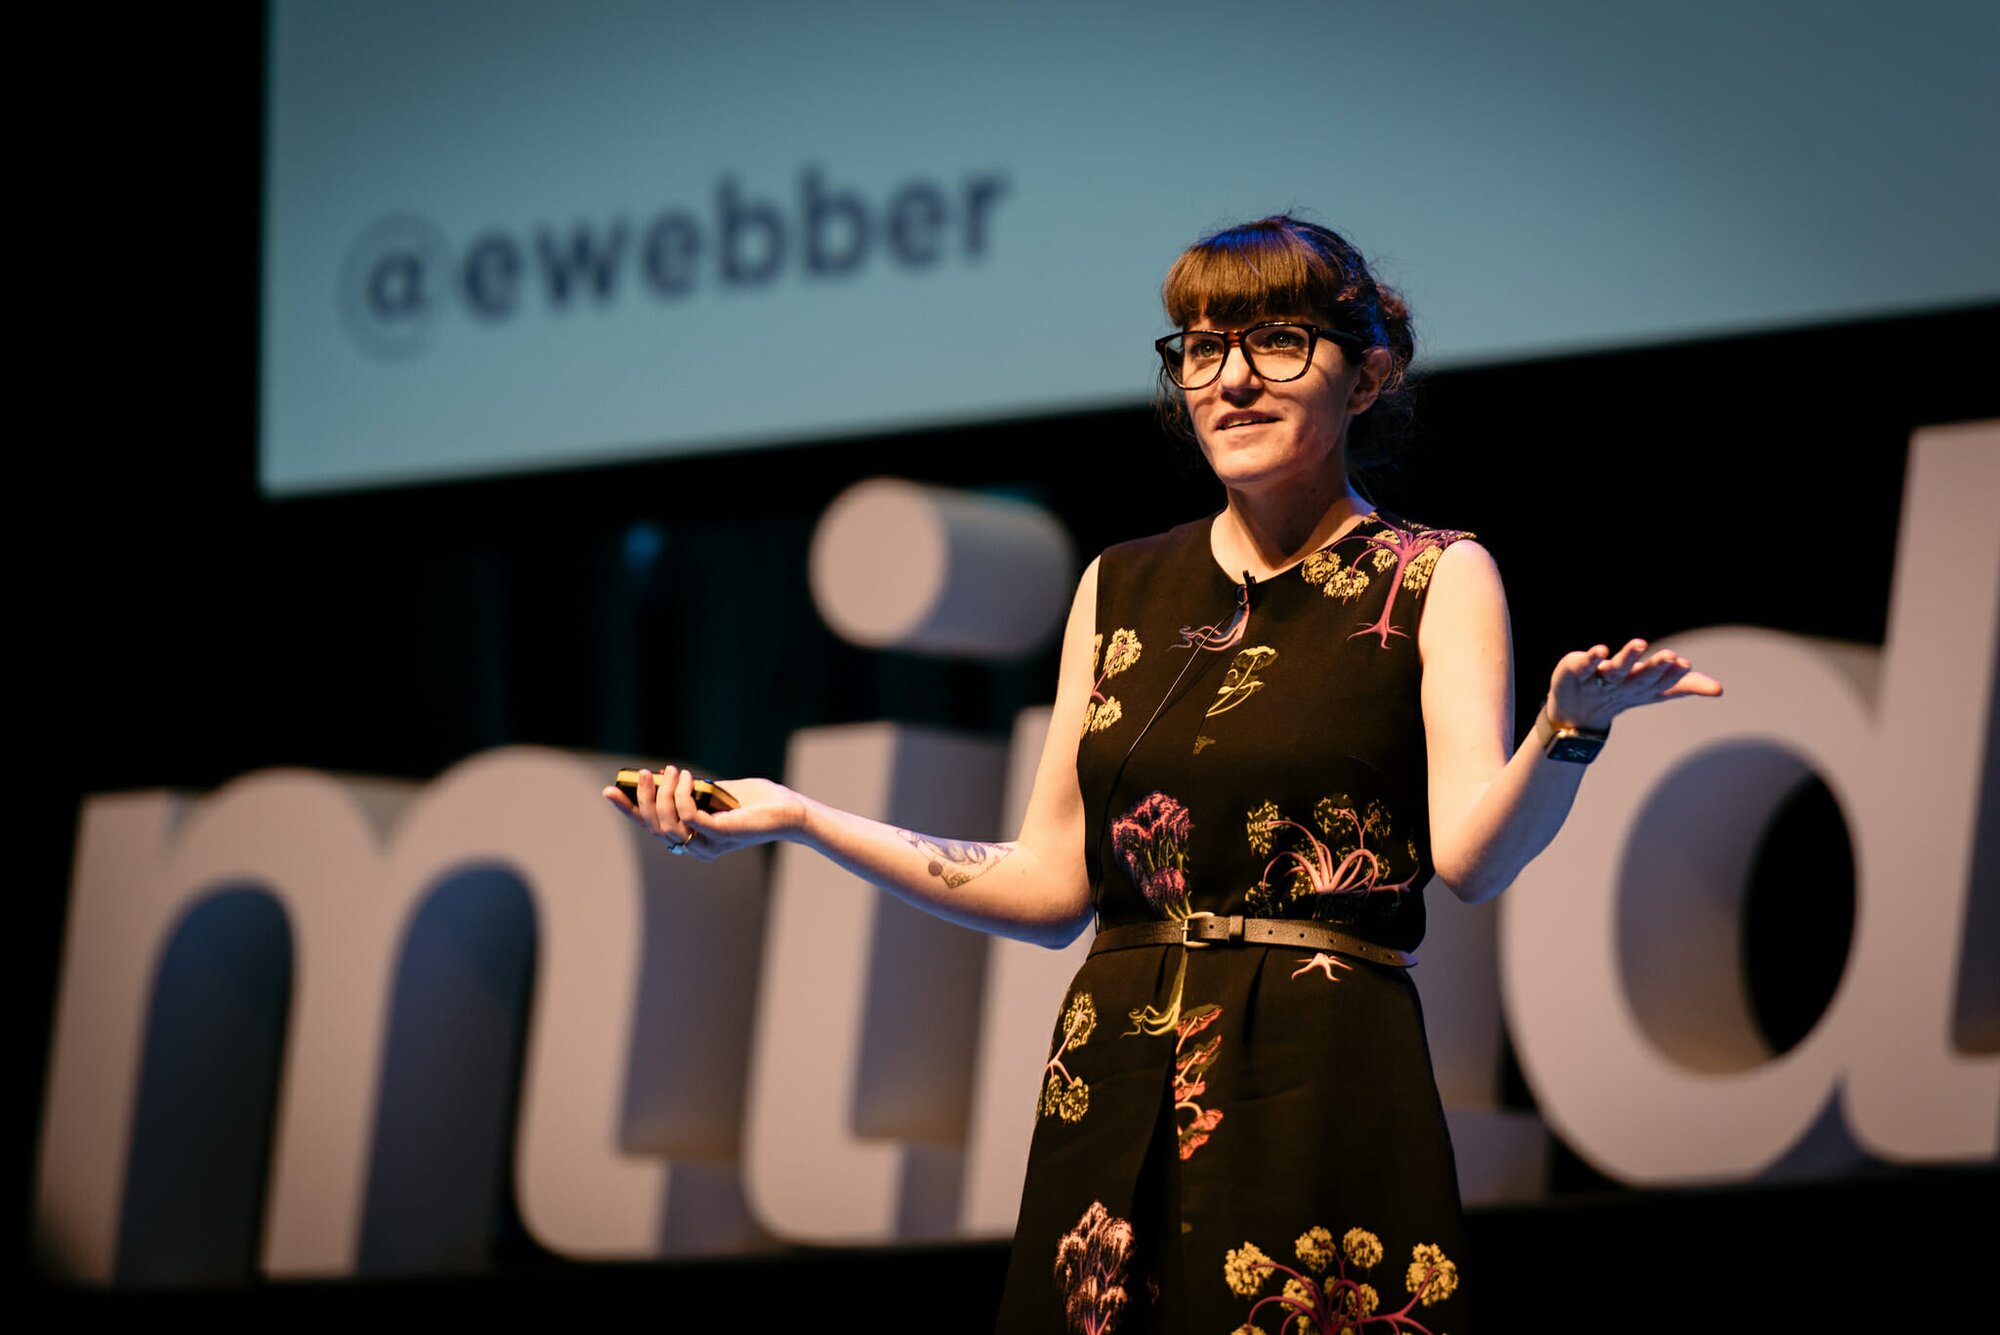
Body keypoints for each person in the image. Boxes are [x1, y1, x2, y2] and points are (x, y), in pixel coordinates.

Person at [604, 215, 1721, 1332]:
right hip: (1113, 1070)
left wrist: (1564, 734)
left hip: (1316, 1071)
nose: (1231, 379)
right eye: (1198, 347)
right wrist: (798, 819)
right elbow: (1049, 888)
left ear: (1367, 375)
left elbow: (1471, 859)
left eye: (1276, 341)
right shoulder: (1120, 587)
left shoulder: (1432, 574)